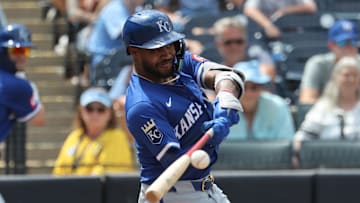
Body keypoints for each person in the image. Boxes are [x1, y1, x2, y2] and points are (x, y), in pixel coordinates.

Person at [122, 9, 244, 202]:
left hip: (205, 188)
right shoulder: (142, 106)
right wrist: (213, 138)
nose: (167, 53)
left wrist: (225, 100)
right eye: (156, 48)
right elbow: (180, 167)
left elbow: (228, 76)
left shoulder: (178, 64)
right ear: (135, 52)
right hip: (173, 194)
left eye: (169, 44)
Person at [53, 87, 135, 175]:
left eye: (101, 109)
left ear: (110, 113)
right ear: (81, 111)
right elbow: (58, 172)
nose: (95, 114)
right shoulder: (74, 136)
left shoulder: (117, 137)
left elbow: (103, 179)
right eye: (89, 109)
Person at [295, 56, 360, 145]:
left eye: (355, 75)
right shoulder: (323, 107)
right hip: (328, 157)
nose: (351, 79)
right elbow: (303, 136)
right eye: (346, 75)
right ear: (336, 77)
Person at [227, 60, 294, 140]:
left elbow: (287, 142)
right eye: (243, 87)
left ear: (261, 87)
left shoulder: (279, 106)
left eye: (254, 87)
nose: (248, 93)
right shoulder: (222, 109)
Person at [0, 24, 45, 141]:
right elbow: (39, 118)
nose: (22, 56)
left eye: (25, 50)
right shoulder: (17, 86)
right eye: (15, 50)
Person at [299, 20, 360, 104]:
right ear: (331, 45)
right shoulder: (318, 64)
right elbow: (307, 100)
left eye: (353, 42)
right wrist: (338, 110)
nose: (349, 47)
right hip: (325, 115)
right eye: (343, 42)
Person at [86, 0, 143, 86]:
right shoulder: (114, 8)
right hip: (103, 61)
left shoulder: (138, 9)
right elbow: (126, 34)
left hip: (122, 59)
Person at [243, 0, 317, 39]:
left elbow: (311, 7)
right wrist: (268, 26)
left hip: (294, 34)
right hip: (269, 37)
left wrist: (284, 11)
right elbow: (249, 9)